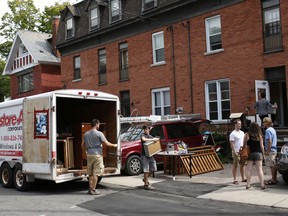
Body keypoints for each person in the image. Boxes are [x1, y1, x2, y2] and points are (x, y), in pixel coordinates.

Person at [82, 119, 117, 195]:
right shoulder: (99, 134)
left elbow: (82, 144)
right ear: (97, 124)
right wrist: (114, 145)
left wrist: (85, 151)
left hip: (89, 155)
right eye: (99, 124)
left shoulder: (86, 134)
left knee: (90, 174)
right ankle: (93, 190)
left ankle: (90, 188)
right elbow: (106, 144)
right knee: (96, 173)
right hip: (97, 155)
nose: (99, 125)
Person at [243, 122, 266, 190]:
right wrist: (263, 154)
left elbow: (244, 145)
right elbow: (262, 146)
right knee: (259, 169)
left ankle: (248, 184)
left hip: (249, 153)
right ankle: (262, 184)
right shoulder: (259, 135)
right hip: (258, 153)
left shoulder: (247, 135)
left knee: (248, 169)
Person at [140, 125, 159, 190]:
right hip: (144, 155)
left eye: (147, 129)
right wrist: (153, 139)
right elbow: (143, 139)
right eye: (145, 129)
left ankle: (145, 179)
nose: (146, 130)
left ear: (149, 129)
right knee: (146, 170)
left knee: (154, 168)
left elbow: (155, 142)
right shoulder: (143, 135)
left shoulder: (150, 136)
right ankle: (146, 184)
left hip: (150, 155)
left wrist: (155, 140)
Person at [229, 119, 246, 184]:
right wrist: (234, 151)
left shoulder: (242, 132)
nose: (240, 125)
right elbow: (232, 143)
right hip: (236, 151)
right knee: (235, 165)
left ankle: (243, 178)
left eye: (240, 124)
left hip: (242, 151)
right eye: (239, 124)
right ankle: (235, 179)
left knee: (243, 164)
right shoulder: (233, 134)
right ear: (235, 124)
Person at [263, 117, 278, 185]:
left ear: (267, 123)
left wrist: (267, 150)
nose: (263, 123)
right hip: (274, 149)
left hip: (271, 150)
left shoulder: (268, 130)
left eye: (264, 122)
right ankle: (274, 178)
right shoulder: (273, 129)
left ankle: (273, 180)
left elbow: (269, 141)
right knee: (274, 165)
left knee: (272, 165)